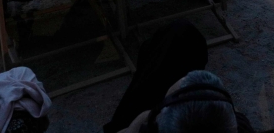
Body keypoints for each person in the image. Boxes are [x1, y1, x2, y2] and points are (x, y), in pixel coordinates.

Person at [105, 20, 253, 133]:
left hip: (141, 118)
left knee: (172, 43)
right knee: (183, 37)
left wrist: (145, 117)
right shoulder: (241, 126)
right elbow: (232, 116)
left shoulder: (149, 125)